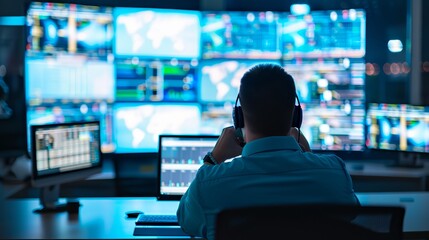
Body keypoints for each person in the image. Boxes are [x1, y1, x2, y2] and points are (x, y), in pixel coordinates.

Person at [176, 63, 360, 240]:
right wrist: (308, 155)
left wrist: (213, 159)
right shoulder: (334, 173)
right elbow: (350, 214)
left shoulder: (209, 184)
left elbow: (185, 221)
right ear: (296, 116)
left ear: (238, 118)